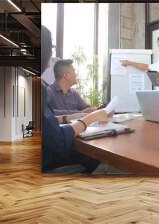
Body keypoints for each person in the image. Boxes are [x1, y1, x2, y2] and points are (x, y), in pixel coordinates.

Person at [41, 25, 107, 173]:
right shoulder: (47, 91)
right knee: (96, 159)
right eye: (74, 72)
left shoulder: (73, 93)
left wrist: (94, 110)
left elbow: (84, 108)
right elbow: (57, 136)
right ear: (66, 75)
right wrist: (89, 117)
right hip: (49, 155)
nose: (77, 74)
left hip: (54, 146)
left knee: (92, 156)